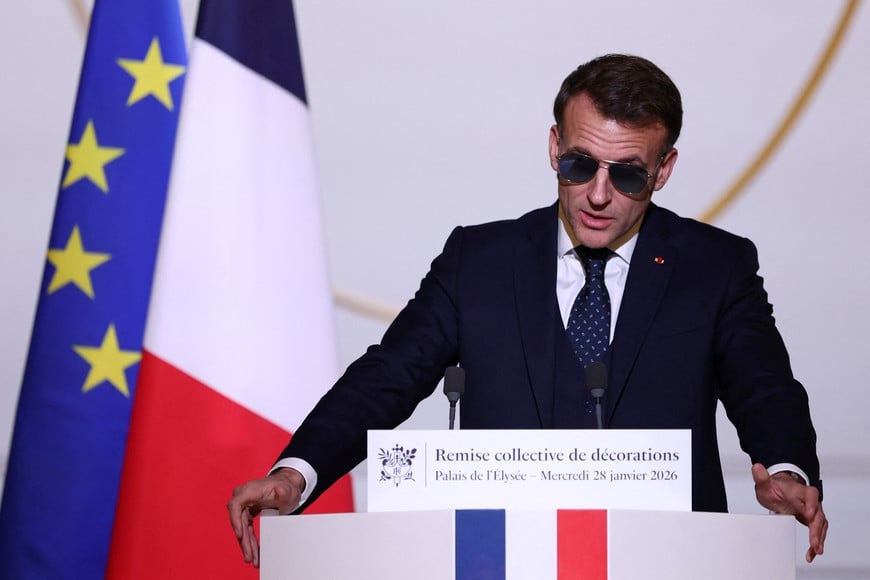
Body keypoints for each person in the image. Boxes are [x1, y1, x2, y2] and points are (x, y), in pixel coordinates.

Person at [228, 54, 827, 567]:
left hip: (667, 560)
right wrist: (295, 473)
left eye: (627, 176)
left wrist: (790, 473)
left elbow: (764, 387)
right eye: (579, 164)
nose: (597, 193)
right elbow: (388, 376)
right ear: (552, 147)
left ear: (664, 170)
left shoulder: (715, 266)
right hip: (498, 559)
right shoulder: (478, 260)